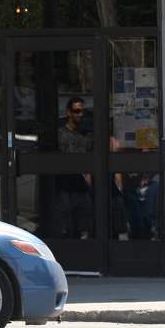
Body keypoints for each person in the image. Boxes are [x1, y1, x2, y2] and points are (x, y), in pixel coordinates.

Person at [56, 98, 94, 238]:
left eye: (82, 111)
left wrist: (88, 175)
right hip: (65, 184)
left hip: (81, 185)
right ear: (69, 113)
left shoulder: (86, 135)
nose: (80, 114)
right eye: (76, 111)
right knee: (66, 223)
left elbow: (90, 156)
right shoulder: (61, 134)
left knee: (84, 222)